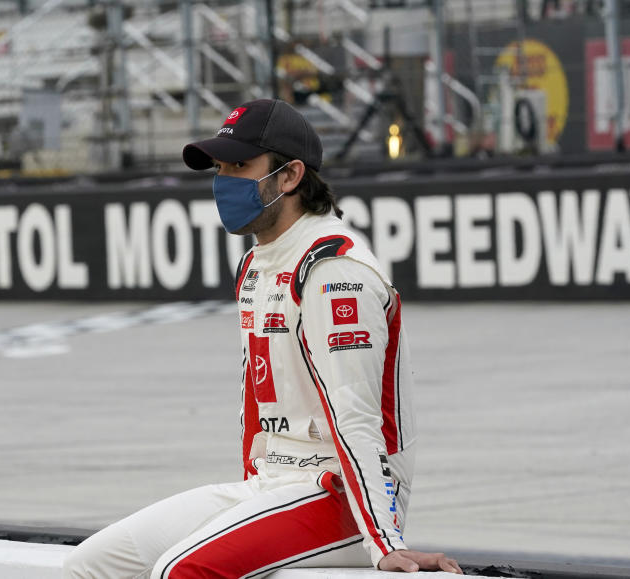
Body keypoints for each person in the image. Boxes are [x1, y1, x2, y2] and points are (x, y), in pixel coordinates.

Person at [62, 99, 463, 578]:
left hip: (344, 497)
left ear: (291, 176)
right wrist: (251, 502)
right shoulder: (256, 264)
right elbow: (255, 398)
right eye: (220, 167)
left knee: (179, 572)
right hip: (274, 483)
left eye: (239, 165)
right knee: (89, 565)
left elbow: (356, 417)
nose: (223, 181)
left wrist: (384, 542)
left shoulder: (333, 269)